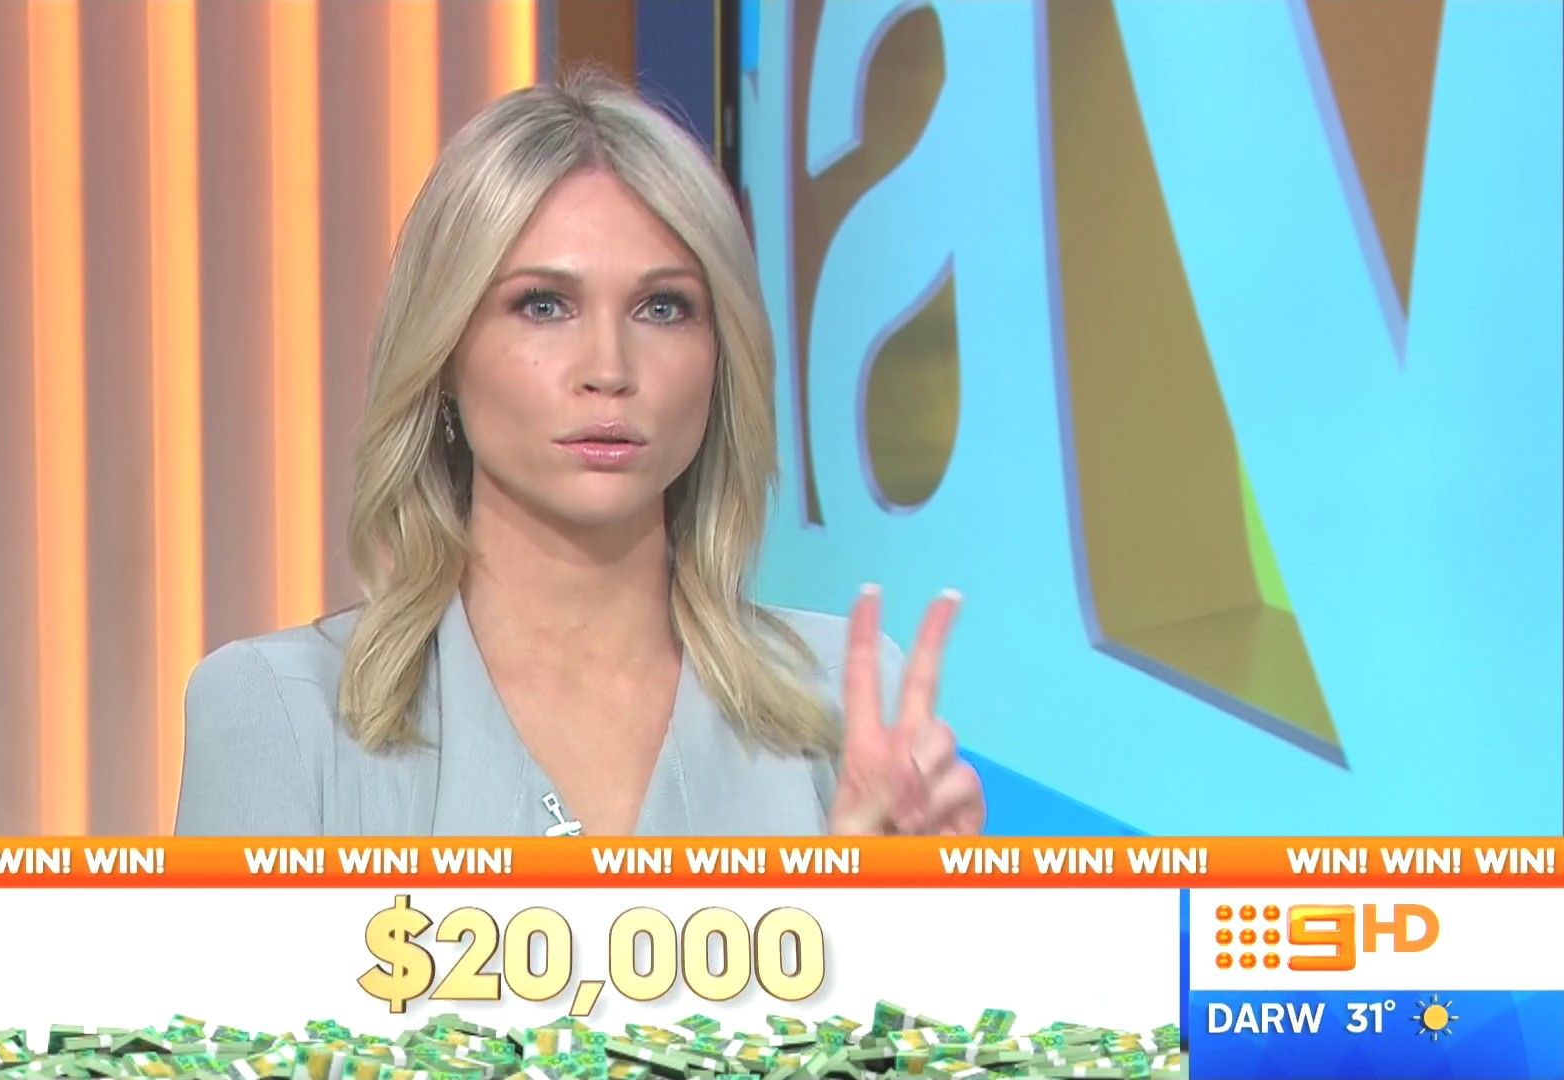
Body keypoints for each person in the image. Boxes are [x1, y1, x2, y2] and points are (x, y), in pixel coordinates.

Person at [174, 71, 984, 837]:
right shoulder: (278, 715)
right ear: (445, 352)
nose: (609, 369)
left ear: (720, 356)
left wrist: (886, 904)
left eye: (662, 308)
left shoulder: (839, 702)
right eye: (544, 305)